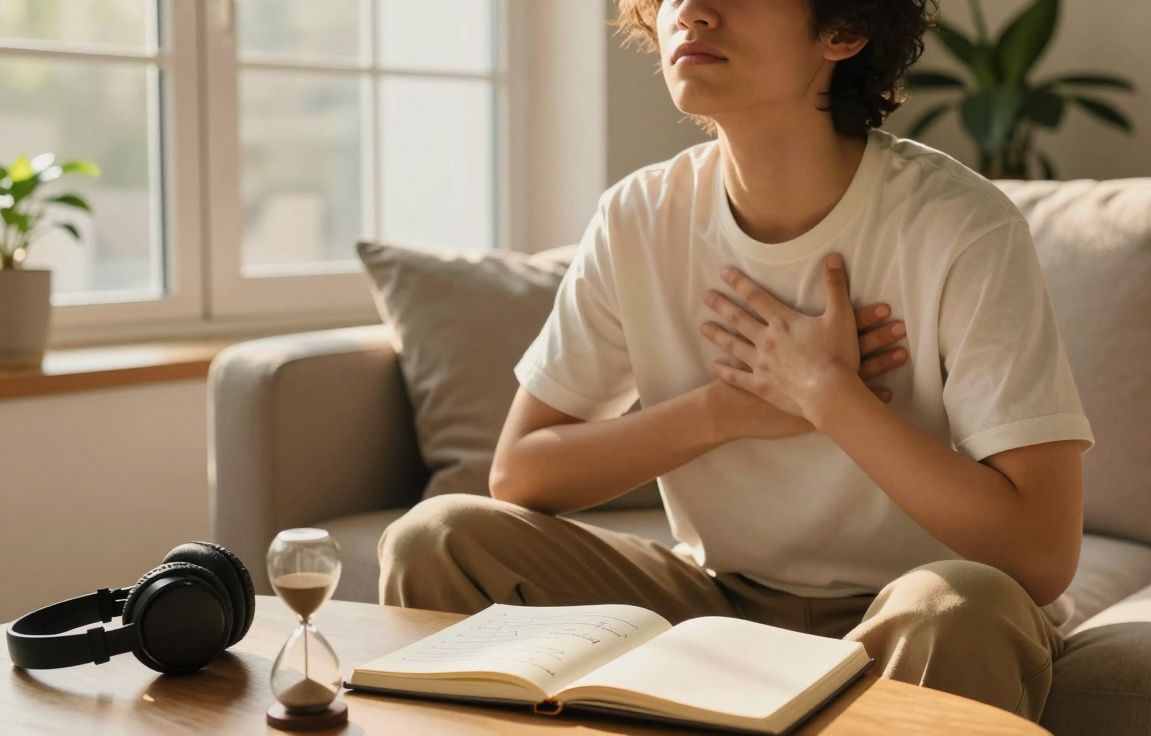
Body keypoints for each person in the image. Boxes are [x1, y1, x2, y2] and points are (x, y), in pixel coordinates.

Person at [378, 0, 1094, 721]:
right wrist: (728, 409)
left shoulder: (959, 224)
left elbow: (1038, 554)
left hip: (910, 614)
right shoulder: (639, 216)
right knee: (436, 540)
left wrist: (827, 395)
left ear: (842, 29)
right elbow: (519, 474)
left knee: (957, 608)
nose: (691, 11)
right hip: (716, 600)